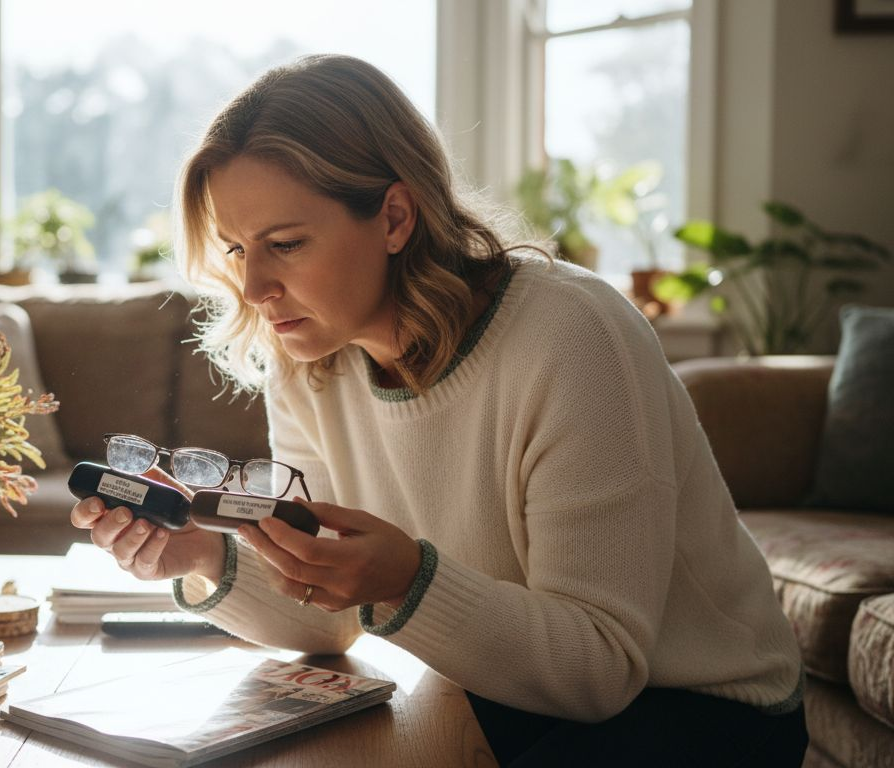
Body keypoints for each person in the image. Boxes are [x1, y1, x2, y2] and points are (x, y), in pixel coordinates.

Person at [69, 54, 808, 766]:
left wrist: (404, 580)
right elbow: (331, 615)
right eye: (235, 250)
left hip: (700, 707)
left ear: (395, 218)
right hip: (503, 688)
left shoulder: (574, 337)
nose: (255, 287)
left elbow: (600, 666)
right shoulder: (307, 358)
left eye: (285, 244)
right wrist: (199, 556)